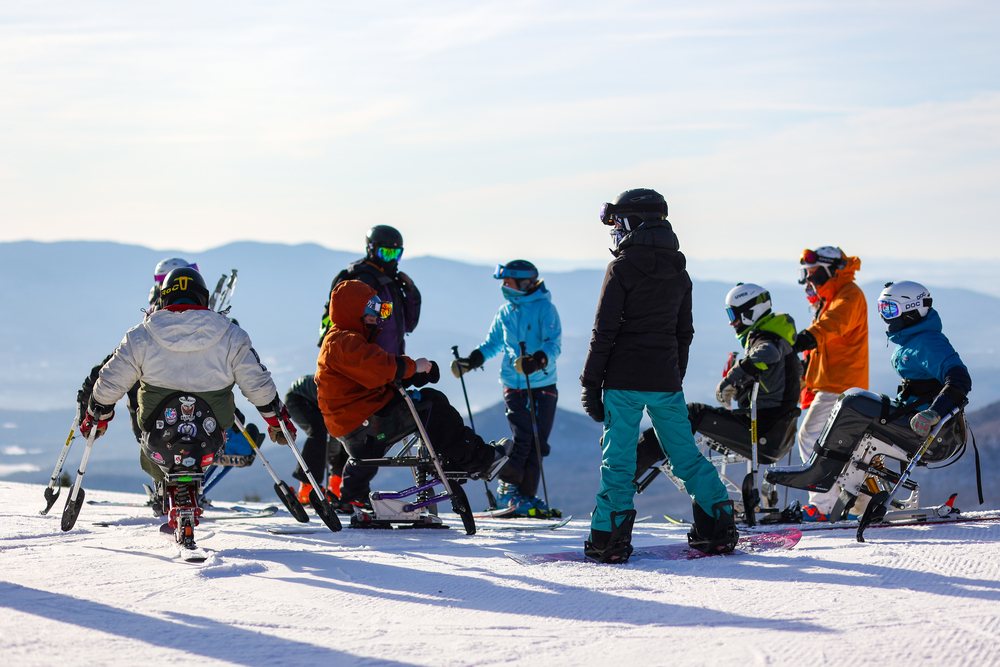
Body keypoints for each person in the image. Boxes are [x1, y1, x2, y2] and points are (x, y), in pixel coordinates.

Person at [579, 188, 737, 563]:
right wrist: (672, 375)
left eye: (616, 222)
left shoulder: (621, 268)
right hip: (665, 382)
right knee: (685, 457)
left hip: (622, 382)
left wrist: (590, 384)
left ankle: (610, 539)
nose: (615, 230)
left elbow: (604, 331)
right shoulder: (679, 271)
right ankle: (718, 528)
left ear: (633, 221)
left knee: (618, 461)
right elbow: (685, 334)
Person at [80, 266, 296, 523]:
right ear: (203, 298)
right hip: (211, 436)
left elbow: (110, 381)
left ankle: (164, 490)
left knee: (145, 422)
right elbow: (258, 385)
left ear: (163, 298)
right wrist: (277, 422)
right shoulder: (231, 335)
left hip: (158, 437)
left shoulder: (141, 335)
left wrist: (97, 416)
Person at [765, 281, 971, 510]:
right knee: (853, 401)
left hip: (932, 433)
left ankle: (818, 475)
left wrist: (934, 413)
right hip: (917, 421)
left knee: (854, 403)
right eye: (882, 308)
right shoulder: (914, 339)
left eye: (890, 309)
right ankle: (860, 499)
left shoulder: (929, 342)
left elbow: (960, 379)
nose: (885, 317)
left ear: (912, 310)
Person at [315, 280, 511, 509]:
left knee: (424, 402)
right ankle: (481, 460)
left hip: (354, 421)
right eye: (372, 312)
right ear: (354, 311)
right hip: (363, 424)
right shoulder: (344, 341)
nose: (377, 318)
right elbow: (376, 369)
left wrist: (414, 374)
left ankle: (354, 495)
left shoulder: (346, 339)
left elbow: (372, 373)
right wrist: (412, 368)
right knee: (432, 406)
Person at [634, 283, 802, 481]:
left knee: (693, 413)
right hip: (775, 433)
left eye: (733, 315)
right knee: (695, 417)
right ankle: (640, 449)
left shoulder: (767, 339)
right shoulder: (780, 338)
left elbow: (767, 353)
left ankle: (632, 461)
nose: (732, 323)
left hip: (763, 432)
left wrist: (731, 378)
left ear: (750, 313)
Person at [451, 260, 562, 517]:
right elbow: (493, 344)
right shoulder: (506, 311)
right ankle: (507, 495)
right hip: (513, 383)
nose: (504, 287)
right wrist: (472, 361)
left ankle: (525, 497)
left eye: (508, 282)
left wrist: (537, 361)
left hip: (543, 383)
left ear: (524, 283)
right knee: (523, 438)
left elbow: (553, 344)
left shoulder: (546, 308)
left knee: (538, 443)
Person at [76, 257, 200, 443]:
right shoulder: (202, 322)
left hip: (151, 425)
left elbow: (115, 366)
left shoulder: (149, 323)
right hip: (198, 422)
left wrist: (91, 403)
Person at [790, 246, 868, 521]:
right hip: (831, 382)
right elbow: (826, 346)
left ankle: (823, 506)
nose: (809, 279)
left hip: (840, 385)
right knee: (842, 446)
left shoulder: (849, 295)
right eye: (807, 273)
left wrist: (803, 338)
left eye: (814, 273)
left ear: (829, 270)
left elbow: (834, 325)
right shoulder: (833, 296)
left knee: (810, 436)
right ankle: (857, 503)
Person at [318, 225, 421, 355]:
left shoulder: (391, 282)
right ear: (371, 250)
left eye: (396, 254)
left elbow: (408, 324)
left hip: (390, 364)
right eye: (386, 254)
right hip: (370, 365)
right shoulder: (363, 282)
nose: (392, 260)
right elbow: (353, 328)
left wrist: (411, 291)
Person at [285, 374, 350, 504]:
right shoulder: (341, 395)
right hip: (298, 397)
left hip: (316, 400)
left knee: (349, 441)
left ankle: (337, 487)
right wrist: (332, 457)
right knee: (319, 431)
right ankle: (307, 488)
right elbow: (333, 431)